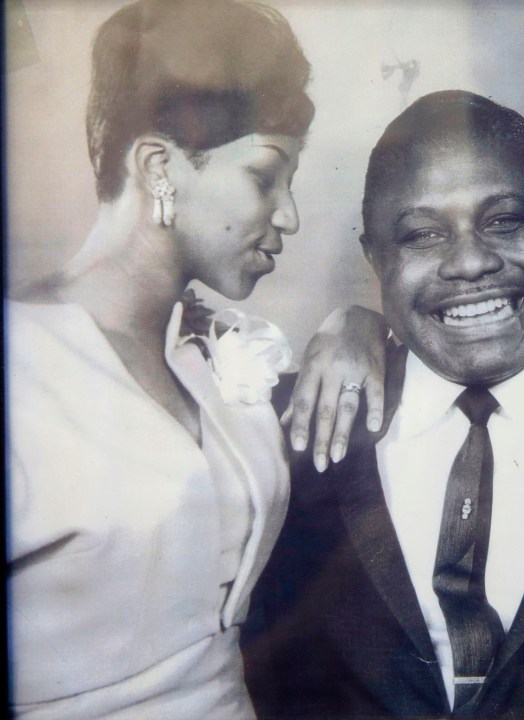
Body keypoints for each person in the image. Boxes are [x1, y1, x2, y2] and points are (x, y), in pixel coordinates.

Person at [242, 90, 524, 718]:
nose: (472, 261)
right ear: (375, 256)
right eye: (423, 234)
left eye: (504, 220)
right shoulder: (285, 429)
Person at [4, 1, 334, 717]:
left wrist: (357, 325)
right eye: (265, 176)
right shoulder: (21, 372)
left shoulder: (212, 351)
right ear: (159, 167)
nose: (290, 216)